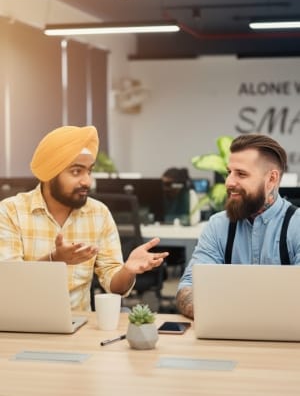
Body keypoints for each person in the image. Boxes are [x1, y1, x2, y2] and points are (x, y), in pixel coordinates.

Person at [0, 125, 168, 311]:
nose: (87, 181)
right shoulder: (10, 211)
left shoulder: (99, 214)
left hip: (79, 328)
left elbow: (115, 287)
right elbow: (9, 283)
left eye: (89, 171)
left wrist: (127, 271)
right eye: (76, 171)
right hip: (21, 323)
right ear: (50, 173)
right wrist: (53, 260)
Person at [176, 133, 300, 319]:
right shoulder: (218, 225)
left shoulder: (296, 226)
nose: (229, 182)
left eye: (241, 174)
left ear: (272, 179)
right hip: (225, 338)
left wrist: (235, 311)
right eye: (229, 172)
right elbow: (188, 286)